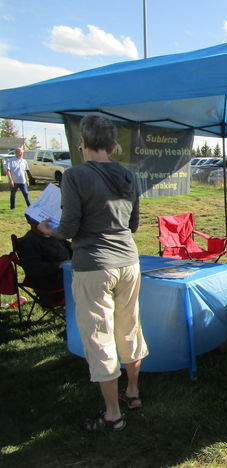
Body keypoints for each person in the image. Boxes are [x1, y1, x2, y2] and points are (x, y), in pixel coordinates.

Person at [39, 114, 147, 432]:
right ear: (112, 146)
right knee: (129, 326)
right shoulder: (128, 176)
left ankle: (112, 414)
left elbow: (69, 227)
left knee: (99, 335)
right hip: (128, 261)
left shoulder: (75, 176)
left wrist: (49, 230)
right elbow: (134, 225)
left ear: (82, 143)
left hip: (93, 266)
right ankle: (133, 392)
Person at [18, 214, 72, 304]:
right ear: (29, 221)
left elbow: (73, 249)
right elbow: (34, 268)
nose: (42, 221)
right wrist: (60, 265)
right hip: (54, 285)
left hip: (70, 276)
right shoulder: (29, 242)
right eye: (37, 219)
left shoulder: (54, 236)